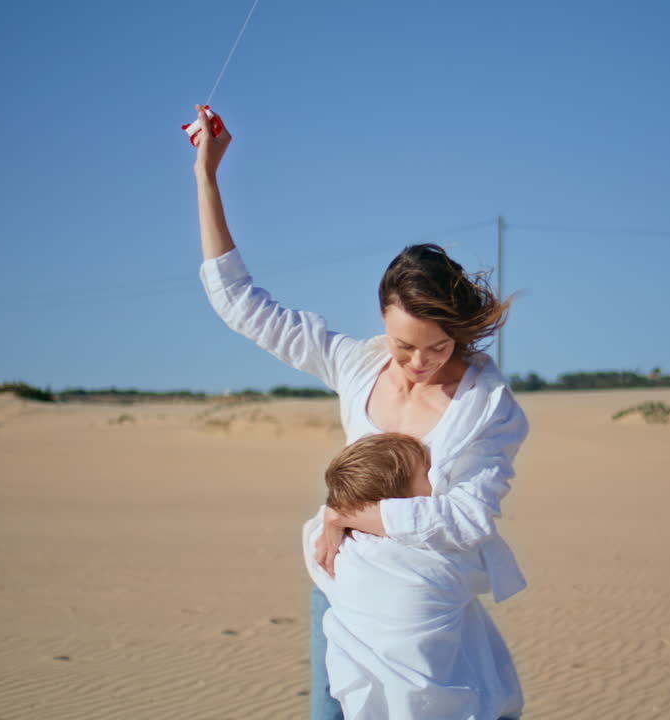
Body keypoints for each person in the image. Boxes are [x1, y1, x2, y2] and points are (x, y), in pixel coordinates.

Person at [191, 107, 530, 720]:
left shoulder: (489, 409)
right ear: (382, 324)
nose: (421, 363)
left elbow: (468, 518)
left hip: (425, 610)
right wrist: (207, 176)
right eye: (404, 347)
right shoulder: (353, 364)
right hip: (343, 584)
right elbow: (240, 303)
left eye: (439, 346)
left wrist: (352, 513)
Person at [304, 432, 522, 719]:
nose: (438, 479)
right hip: (452, 707)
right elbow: (479, 549)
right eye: (426, 473)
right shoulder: (435, 561)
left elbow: (319, 521)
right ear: (398, 503)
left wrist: (342, 514)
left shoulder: (329, 552)